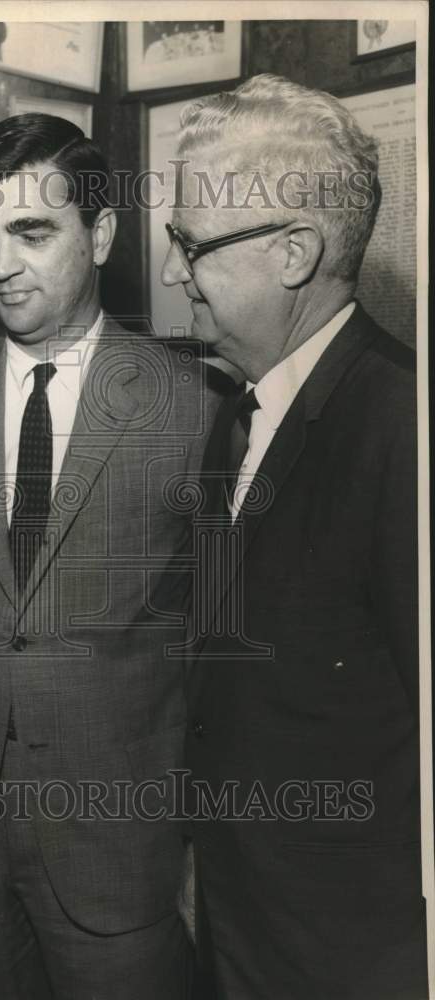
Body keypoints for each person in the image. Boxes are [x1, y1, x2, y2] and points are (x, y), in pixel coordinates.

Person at [0, 113, 212, 999]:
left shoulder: (193, 410)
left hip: (123, 860)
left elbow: (223, 654)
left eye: (33, 234)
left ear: (100, 235)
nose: (2, 267)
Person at [160, 74, 427, 998]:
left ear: (294, 253)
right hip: (238, 923)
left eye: (188, 244)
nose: (169, 273)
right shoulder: (235, 414)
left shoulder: (406, 432)